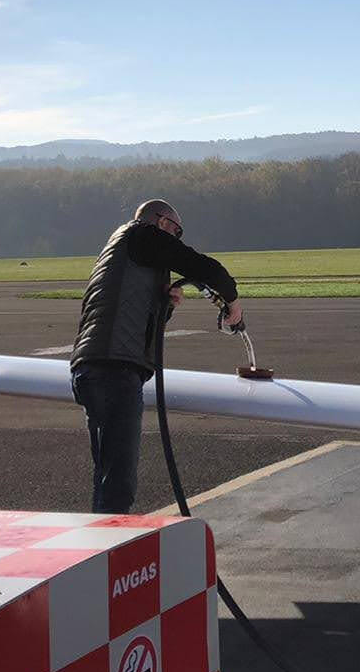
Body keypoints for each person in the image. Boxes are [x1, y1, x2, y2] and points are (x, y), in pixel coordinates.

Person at [70, 199, 242, 513]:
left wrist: (165, 305)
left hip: (93, 366)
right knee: (118, 486)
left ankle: (103, 544)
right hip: (115, 370)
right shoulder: (142, 236)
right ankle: (110, 553)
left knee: (108, 475)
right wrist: (232, 299)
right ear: (161, 222)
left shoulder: (120, 250)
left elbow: (136, 321)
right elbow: (200, 265)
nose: (175, 240)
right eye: (175, 232)